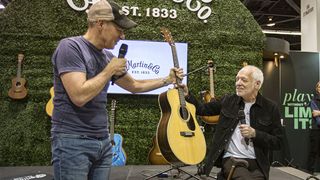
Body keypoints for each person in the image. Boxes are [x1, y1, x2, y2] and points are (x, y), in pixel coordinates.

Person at [50, 0, 184, 179]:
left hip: (103, 141)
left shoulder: (107, 57)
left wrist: (168, 79)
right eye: (119, 29)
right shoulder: (70, 47)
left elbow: (135, 86)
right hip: (73, 141)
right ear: (100, 23)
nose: (122, 36)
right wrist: (109, 70)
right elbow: (79, 96)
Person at [182, 65, 283, 180]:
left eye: (244, 80)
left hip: (258, 163)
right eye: (237, 79)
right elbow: (202, 109)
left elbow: (278, 142)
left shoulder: (270, 108)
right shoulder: (228, 101)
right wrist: (187, 95)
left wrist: (255, 134)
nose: (238, 83)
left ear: (257, 84)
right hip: (232, 158)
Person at [306, 81, 320, 174]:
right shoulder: (313, 101)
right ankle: (309, 171)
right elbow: (315, 115)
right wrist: (318, 113)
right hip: (316, 129)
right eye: (319, 87)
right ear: (317, 89)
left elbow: (317, 113)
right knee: (314, 151)